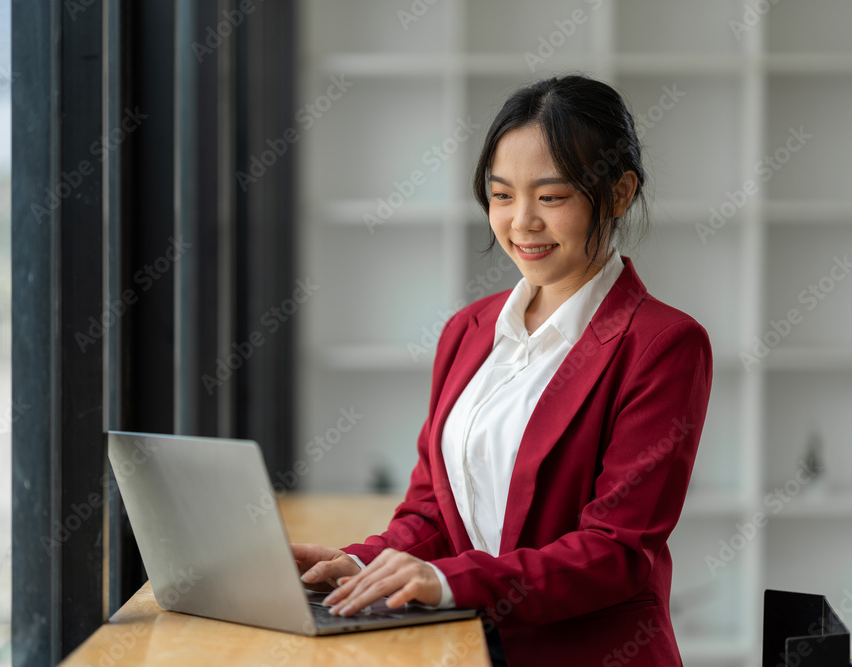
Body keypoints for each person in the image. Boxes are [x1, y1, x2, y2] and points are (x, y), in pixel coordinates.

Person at [292, 74, 713, 666]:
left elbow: (616, 553)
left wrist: (448, 583)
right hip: (470, 648)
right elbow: (433, 513)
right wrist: (362, 563)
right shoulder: (467, 332)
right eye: (501, 195)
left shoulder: (663, 344)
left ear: (618, 194)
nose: (521, 223)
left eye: (551, 196)